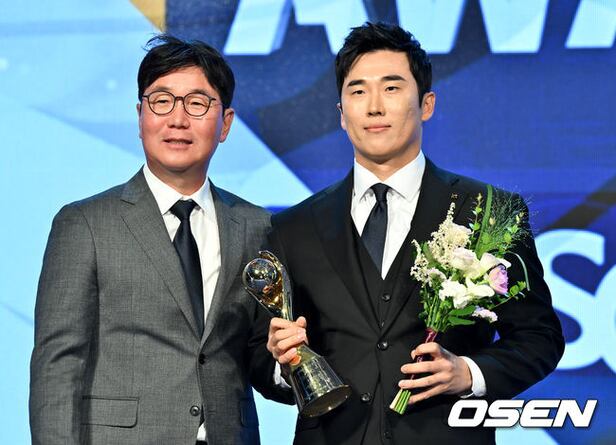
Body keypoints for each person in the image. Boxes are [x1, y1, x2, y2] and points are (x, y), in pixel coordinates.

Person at [266, 22, 564, 444]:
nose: (374, 107)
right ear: (341, 114)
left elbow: (539, 337)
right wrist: (284, 364)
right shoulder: (293, 227)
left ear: (426, 104)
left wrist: (468, 373)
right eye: (357, 91)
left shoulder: (488, 212)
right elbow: (260, 355)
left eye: (391, 88)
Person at [29, 34, 292, 445]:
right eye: (162, 101)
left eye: (197, 103)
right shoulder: (85, 224)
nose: (178, 119)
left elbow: (259, 352)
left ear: (225, 123)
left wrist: (287, 364)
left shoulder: (256, 225)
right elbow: (57, 367)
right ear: (140, 116)